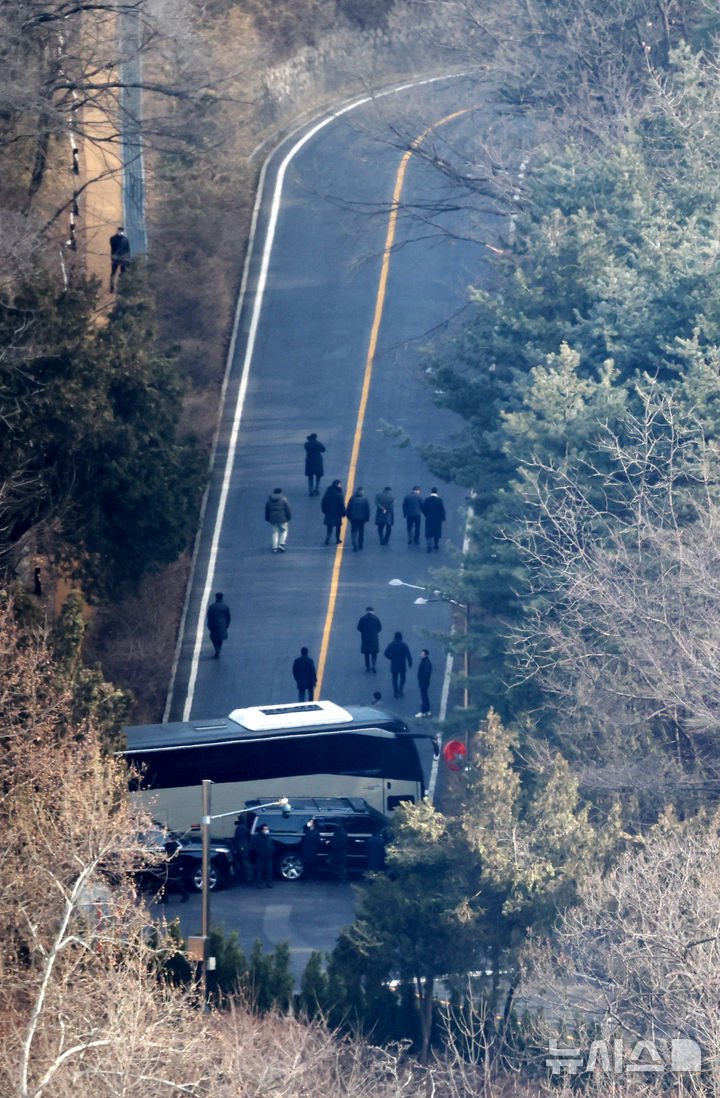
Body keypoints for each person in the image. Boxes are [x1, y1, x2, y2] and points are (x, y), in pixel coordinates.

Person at [384, 630, 413, 699]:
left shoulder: (391, 644)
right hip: (402, 664)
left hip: (394, 664)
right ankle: (401, 689)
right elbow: (408, 655)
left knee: (394, 678)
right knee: (403, 678)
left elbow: (385, 653)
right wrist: (410, 663)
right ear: (401, 637)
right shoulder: (404, 645)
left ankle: (395, 692)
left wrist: (391, 658)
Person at [265, 487, 291, 553]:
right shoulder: (283, 499)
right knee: (284, 530)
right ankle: (281, 544)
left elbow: (267, 510)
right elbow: (287, 509)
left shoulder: (269, 500)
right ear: (281, 492)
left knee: (274, 532)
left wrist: (267, 518)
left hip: (273, 518)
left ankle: (274, 547)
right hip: (282, 518)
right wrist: (288, 517)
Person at [421, 486, 447, 552]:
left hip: (429, 518)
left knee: (429, 532)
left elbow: (423, 509)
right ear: (437, 492)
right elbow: (442, 510)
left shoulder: (427, 499)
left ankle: (429, 545)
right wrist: (443, 518)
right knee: (436, 532)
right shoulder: (439, 500)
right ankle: (436, 544)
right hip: (437, 519)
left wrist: (426, 515)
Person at [357, 606, 382, 672]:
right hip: (374, 638)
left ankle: (367, 667)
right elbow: (380, 628)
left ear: (366, 611)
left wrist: (364, 632)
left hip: (365, 638)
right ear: (373, 611)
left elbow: (359, 628)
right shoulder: (376, 618)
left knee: (366, 653)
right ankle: (373, 665)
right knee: (374, 653)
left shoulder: (362, 618)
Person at [346, 486, 370, 551]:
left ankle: (354, 543)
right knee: (361, 531)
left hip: (353, 518)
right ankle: (360, 544)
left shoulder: (352, 499)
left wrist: (348, 517)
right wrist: (367, 519)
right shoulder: (365, 500)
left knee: (353, 531)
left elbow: (348, 508)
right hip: (362, 519)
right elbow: (367, 510)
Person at [206, 592, 231, 658]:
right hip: (222, 624)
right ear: (222, 598)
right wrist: (227, 624)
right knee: (220, 638)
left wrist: (209, 624)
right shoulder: (225, 607)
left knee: (213, 638)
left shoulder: (212, 607)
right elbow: (228, 617)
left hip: (214, 624)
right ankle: (219, 648)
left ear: (216, 598)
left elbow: (209, 616)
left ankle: (216, 648)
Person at [321, 479, 345, 545]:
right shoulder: (339, 494)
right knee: (338, 526)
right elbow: (342, 504)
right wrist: (344, 513)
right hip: (337, 513)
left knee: (329, 526)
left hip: (328, 512)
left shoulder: (328, 492)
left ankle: (328, 537)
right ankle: (337, 539)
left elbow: (323, 501)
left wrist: (324, 510)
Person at [252, 824, 274, 888]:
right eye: (265, 829)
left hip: (269, 856)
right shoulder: (257, 837)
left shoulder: (268, 837)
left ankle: (269, 883)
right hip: (260, 856)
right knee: (260, 870)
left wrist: (271, 851)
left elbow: (272, 845)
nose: (266, 830)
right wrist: (260, 852)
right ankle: (259, 883)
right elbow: (254, 847)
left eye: (267, 829)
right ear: (262, 830)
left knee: (269, 870)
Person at [109, 226, 131, 291]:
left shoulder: (126, 239)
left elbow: (127, 250)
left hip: (123, 259)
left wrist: (127, 258)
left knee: (123, 273)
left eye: (121, 231)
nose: (120, 232)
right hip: (115, 259)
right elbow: (113, 247)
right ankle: (112, 287)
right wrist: (114, 255)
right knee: (113, 273)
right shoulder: (113, 238)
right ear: (117, 231)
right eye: (119, 231)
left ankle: (121, 287)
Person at [232, 816, 253, 884]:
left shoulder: (239, 828)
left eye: (236, 819)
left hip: (242, 848)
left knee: (244, 863)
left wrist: (238, 848)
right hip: (245, 847)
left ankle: (248, 876)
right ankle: (247, 876)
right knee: (244, 862)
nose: (235, 820)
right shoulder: (244, 828)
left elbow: (238, 839)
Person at [416, 649, 433, 717]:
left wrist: (422, 681)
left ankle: (422, 711)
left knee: (424, 697)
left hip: (423, 682)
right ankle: (428, 710)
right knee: (425, 696)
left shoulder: (426, 663)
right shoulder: (426, 662)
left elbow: (426, 674)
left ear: (426, 655)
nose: (421, 655)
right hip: (424, 682)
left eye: (422, 654)